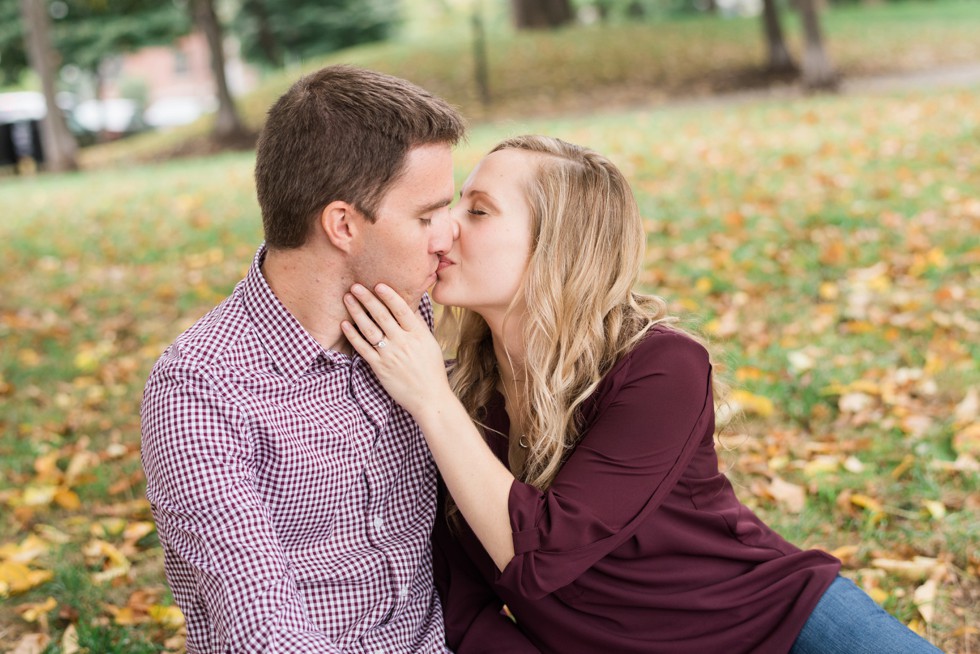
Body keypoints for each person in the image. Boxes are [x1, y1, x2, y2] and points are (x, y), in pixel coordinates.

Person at [341, 135, 945, 653]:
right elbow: (459, 599)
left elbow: (539, 554)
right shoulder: (453, 393)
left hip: (771, 623)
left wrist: (430, 401)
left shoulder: (662, 367)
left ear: (559, 246)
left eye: (478, 211)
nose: (444, 227)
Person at [140, 65, 468, 652]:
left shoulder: (406, 320)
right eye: (425, 216)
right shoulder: (202, 390)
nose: (447, 237)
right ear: (342, 224)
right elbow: (262, 627)